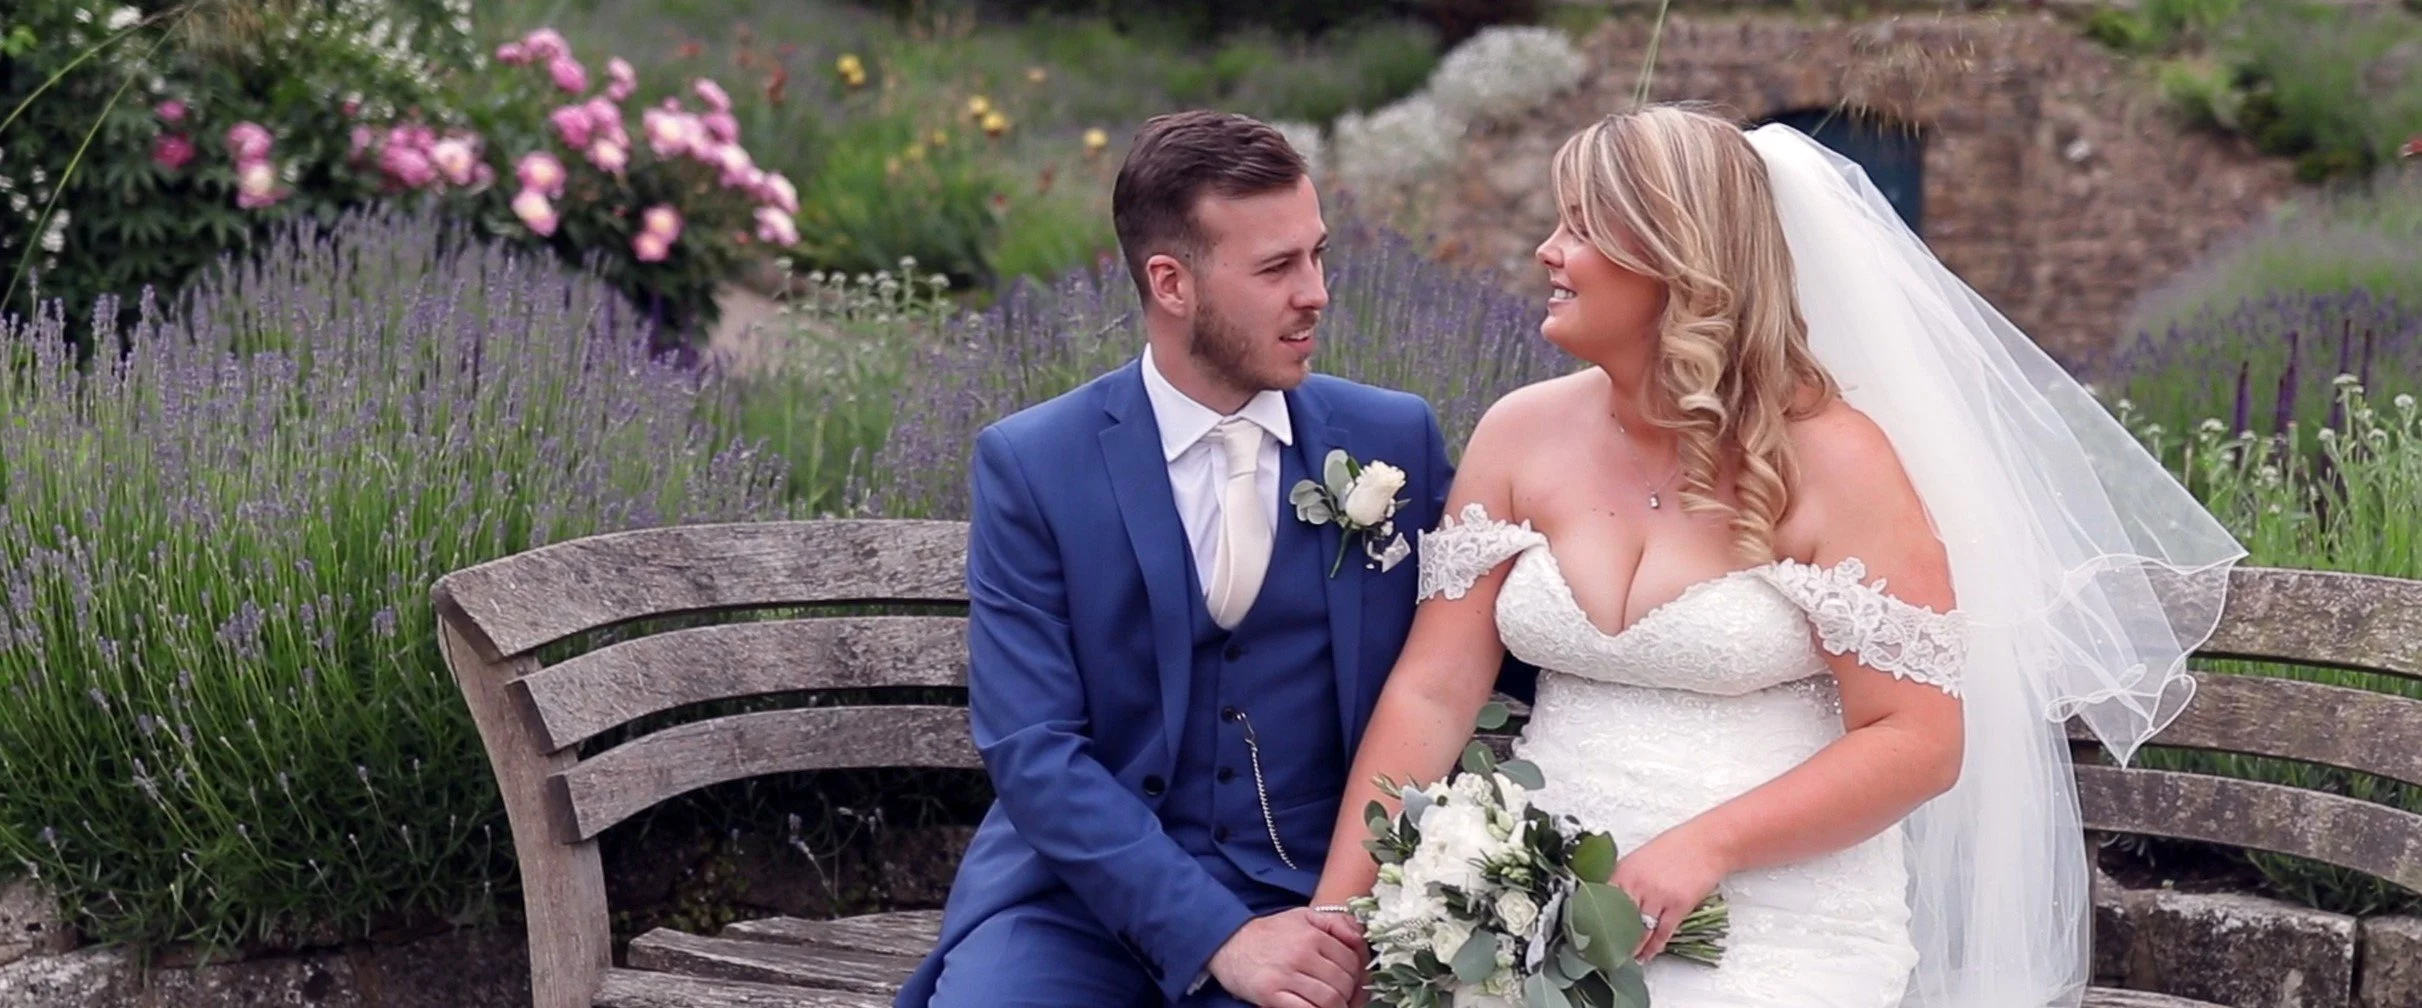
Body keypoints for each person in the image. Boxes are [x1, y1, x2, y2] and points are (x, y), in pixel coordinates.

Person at [1308, 104, 2245, 1007]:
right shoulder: (1519, 434)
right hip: (1520, 912)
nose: (1547, 252)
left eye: (1581, 228)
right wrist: (1340, 922)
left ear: (1676, 258)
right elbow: (1432, 692)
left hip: (1776, 919)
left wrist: (1706, 846)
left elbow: (1919, 741)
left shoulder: (1839, 462)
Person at [893, 110, 1530, 1008]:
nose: (1316, 292)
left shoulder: (1394, 439)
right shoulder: (1035, 464)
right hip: (1076, 910)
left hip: (1316, 898)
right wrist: (1217, 936)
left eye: (1317, 255)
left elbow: (1494, 648)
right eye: (1277, 268)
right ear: (1171, 281)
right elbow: (1033, 750)